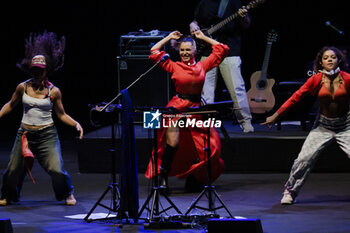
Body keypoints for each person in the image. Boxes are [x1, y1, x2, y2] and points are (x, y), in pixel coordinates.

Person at [0, 31, 83, 206]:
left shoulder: (54, 91)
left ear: (46, 70)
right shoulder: (22, 87)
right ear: (30, 70)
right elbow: (10, 105)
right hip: (25, 134)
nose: (37, 73)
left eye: (40, 70)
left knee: (56, 169)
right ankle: (10, 195)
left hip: (47, 135)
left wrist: (76, 124)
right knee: (13, 169)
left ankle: (67, 192)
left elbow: (61, 114)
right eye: (34, 70)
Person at [262, 46, 350, 205]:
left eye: (333, 57)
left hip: (346, 126)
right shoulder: (316, 79)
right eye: (326, 57)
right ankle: (290, 191)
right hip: (322, 126)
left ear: (339, 60)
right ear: (321, 62)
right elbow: (296, 97)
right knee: (304, 159)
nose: (330, 59)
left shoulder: (347, 78)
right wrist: (276, 115)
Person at [144, 30, 229, 192]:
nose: (184, 53)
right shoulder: (173, 65)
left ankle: (194, 177)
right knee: (172, 143)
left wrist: (202, 37)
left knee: (211, 146)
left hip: (197, 109)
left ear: (195, 51)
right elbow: (154, 52)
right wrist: (169, 38)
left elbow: (222, 49)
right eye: (182, 50)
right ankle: (162, 178)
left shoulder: (203, 65)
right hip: (176, 108)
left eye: (188, 50)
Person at [189, 0, 254, 133]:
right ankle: (206, 123)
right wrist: (192, 25)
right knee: (205, 90)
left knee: (237, 88)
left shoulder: (234, 2)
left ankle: (245, 121)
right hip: (207, 50)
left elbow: (246, 24)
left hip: (230, 50)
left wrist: (244, 16)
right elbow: (196, 20)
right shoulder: (203, 3)